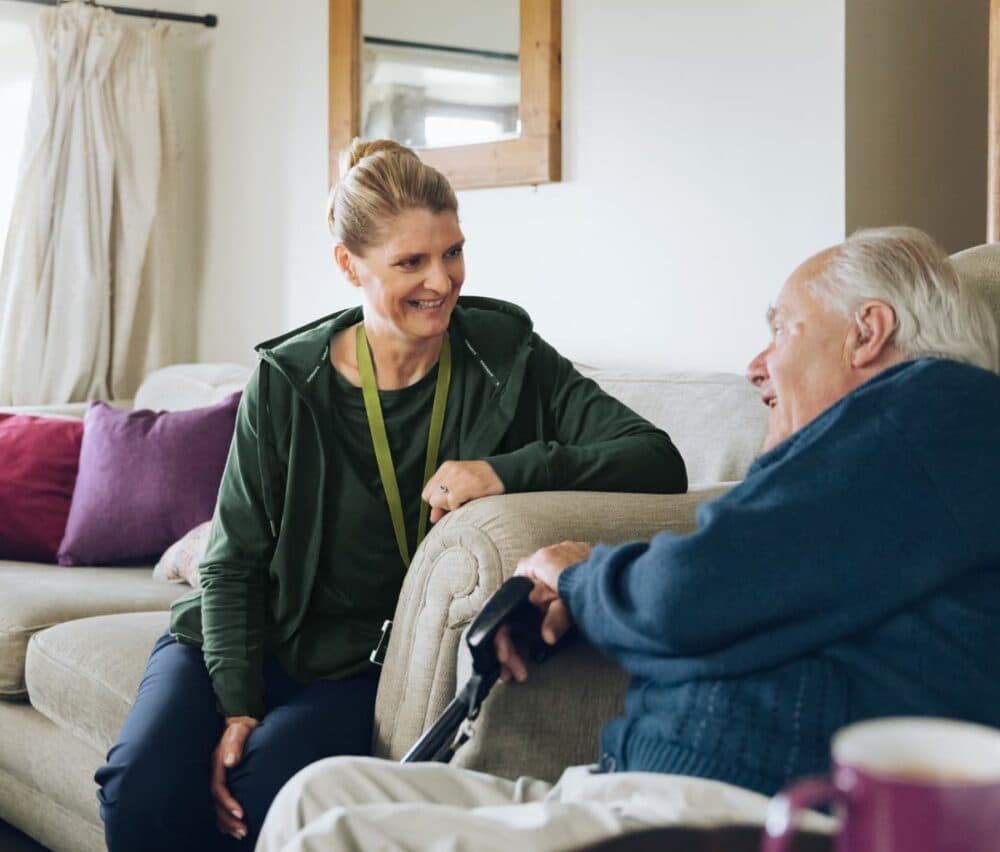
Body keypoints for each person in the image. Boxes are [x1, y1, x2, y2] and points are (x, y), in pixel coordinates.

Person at [256, 226, 1000, 852]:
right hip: (636, 788)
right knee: (315, 794)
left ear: (868, 331)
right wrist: (596, 588)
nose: (755, 366)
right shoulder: (867, 470)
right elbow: (738, 576)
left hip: (728, 811)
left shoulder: (936, 413)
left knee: (332, 836)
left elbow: (688, 594)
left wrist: (579, 576)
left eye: (781, 328)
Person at [92, 139, 685, 851]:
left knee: (259, 799)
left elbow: (655, 458)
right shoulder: (289, 381)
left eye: (453, 252)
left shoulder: (507, 355)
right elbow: (233, 560)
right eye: (411, 262)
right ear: (350, 265)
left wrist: (503, 473)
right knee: (140, 792)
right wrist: (237, 705)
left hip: (357, 666)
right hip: (243, 638)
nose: (442, 281)